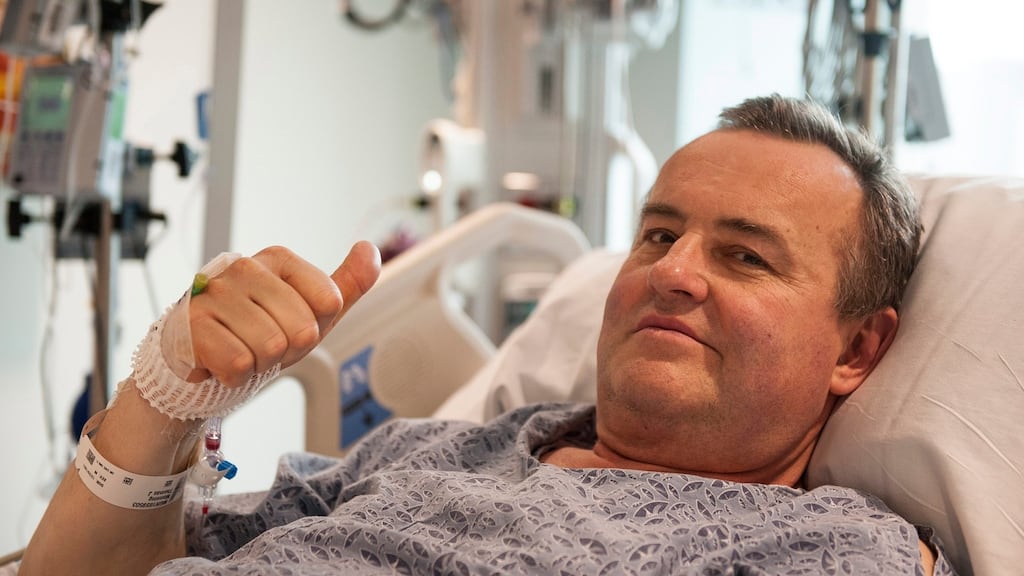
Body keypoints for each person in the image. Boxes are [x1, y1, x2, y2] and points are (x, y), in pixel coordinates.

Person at [18, 95, 953, 575]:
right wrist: (169, 391)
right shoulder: (438, 448)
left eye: (747, 258)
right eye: (660, 234)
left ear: (856, 351)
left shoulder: (829, 548)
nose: (673, 271)